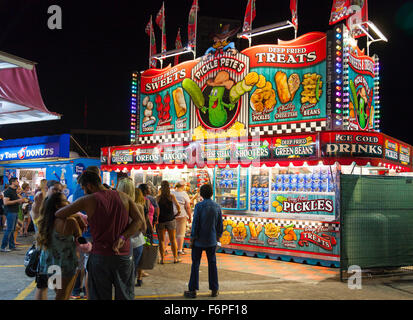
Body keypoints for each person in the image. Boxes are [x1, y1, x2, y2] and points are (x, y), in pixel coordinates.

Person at [55, 171, 146, 300]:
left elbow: (59, 213)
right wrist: (123, 237)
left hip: (100, 256)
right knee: (125, 295)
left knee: (99, 296)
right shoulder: (124, 197)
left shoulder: (88, 200)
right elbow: (139, 221)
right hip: (123, 255)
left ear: (90, 186)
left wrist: (78, 216)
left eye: (84, 188)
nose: (84, 191)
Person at [34, 192, 86, 300]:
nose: (68, 202)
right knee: (63, 295)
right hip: (66, 264)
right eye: (65, 200)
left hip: (49, 263)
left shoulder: (44, 221)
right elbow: (80, 240)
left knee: (59, 293)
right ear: (58, 205)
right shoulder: (70, 221)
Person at [184, 184, 223, 299]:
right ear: (211, 193)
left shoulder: (199, 206)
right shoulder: (217, 206)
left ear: (201, 194)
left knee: (195, 264)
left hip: (199, 241)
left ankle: (193, 290)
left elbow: (195, 223)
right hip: (211, 240)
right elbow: (220, 225)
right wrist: (218, 238)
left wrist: (192, 239)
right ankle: (214, 289)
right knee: (212, 264)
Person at [70, 166, 101, 299]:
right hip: (91, 232)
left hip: (78, 232)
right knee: (90, 265)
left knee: (80, 262)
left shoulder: (77, 189)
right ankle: (89, 294)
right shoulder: (95, 192)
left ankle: (76, 290)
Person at [116, 178, 146, 287]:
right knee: (132, 271)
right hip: (137, 242)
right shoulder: (139, 206)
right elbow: (144, 228)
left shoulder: (116, 206)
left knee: (121, 272)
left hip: (120, 243)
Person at [156, 180, 182, 264]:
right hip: (170, 219)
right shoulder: (171, 196)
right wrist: (178, 212)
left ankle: (162, 259)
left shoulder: (158, 197)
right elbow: (178, 205)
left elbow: (156, 209)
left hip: (161, 220)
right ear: (168, 187)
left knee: (161, 240)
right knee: (172, 239)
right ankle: (175, 258)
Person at [1, 178, 28, 252]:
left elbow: (14, 201)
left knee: (12, 229)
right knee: (9, 229)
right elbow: (6, 202)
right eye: (16, 181)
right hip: (10, 212)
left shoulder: (14, 191)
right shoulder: (8, 191)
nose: (18, 182)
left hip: (14, 212)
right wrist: (18, 200)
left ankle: (12, 246)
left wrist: (20, 201)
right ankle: (3, 247)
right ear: (13, 182)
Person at [171, 181, 192, 255]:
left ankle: (164, 248)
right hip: (181, 215)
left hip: (172, 215)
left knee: (169, 232)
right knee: (180, 233)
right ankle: (179, 250)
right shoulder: (184, 194)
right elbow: (188, 207)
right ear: (183, 186)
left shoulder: (171, 192)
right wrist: (190, 216)